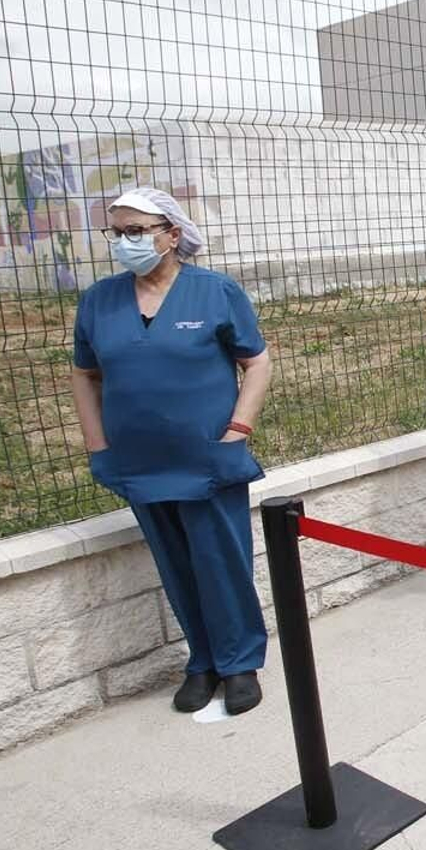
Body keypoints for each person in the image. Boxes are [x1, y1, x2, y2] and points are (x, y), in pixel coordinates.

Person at [72, 187, 272, 715]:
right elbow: (84, 373)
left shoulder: (214, 292)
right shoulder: (99, 300)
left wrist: (238, 428)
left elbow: (257, 362)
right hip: (138, 461)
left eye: (137, 231)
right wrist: (98, 444)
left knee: (221, 560)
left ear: (172, 235)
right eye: (117, 233)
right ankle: (202, 660)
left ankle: (240, 662)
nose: (125, 242)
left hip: (208, 455)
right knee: (175, 564)